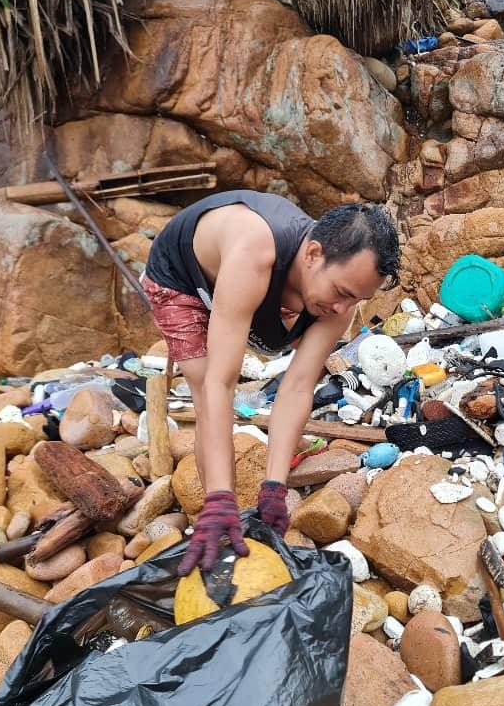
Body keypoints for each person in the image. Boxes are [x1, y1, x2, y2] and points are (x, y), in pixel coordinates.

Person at [142, 190, 400, 576]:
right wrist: (220, 499)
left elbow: (297, 385)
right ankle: (214, 512)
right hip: (181, 279)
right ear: (313, 254)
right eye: (342, 293)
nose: (344, 310)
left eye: (357, 299)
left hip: (265, 288)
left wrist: (275, 488)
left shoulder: (336, 297)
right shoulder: (255, 252)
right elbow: (220, 384)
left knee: (302, 321)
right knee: (203, 379)